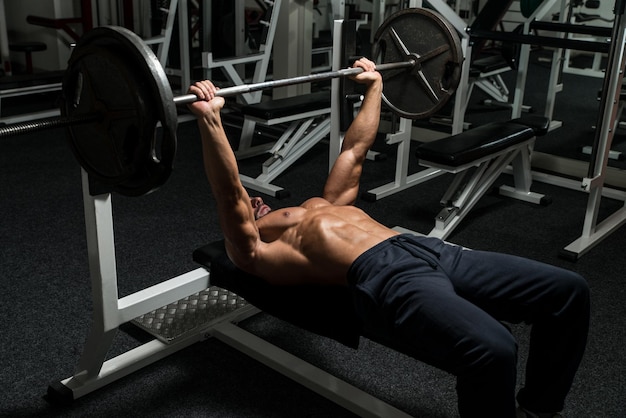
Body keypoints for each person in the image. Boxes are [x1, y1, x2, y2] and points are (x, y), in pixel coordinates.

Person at [187, 58, 590, 418]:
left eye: (258, 201)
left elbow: (355, 151)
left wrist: (374, 86)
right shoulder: (255, 250)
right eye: (250, 206)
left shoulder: (322, 205)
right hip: (385, 276)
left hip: (425, 248)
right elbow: (229, 191)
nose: (257, 201)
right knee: (493, 350)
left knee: (566, 290)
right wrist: (211, 119)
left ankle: (540, 407)